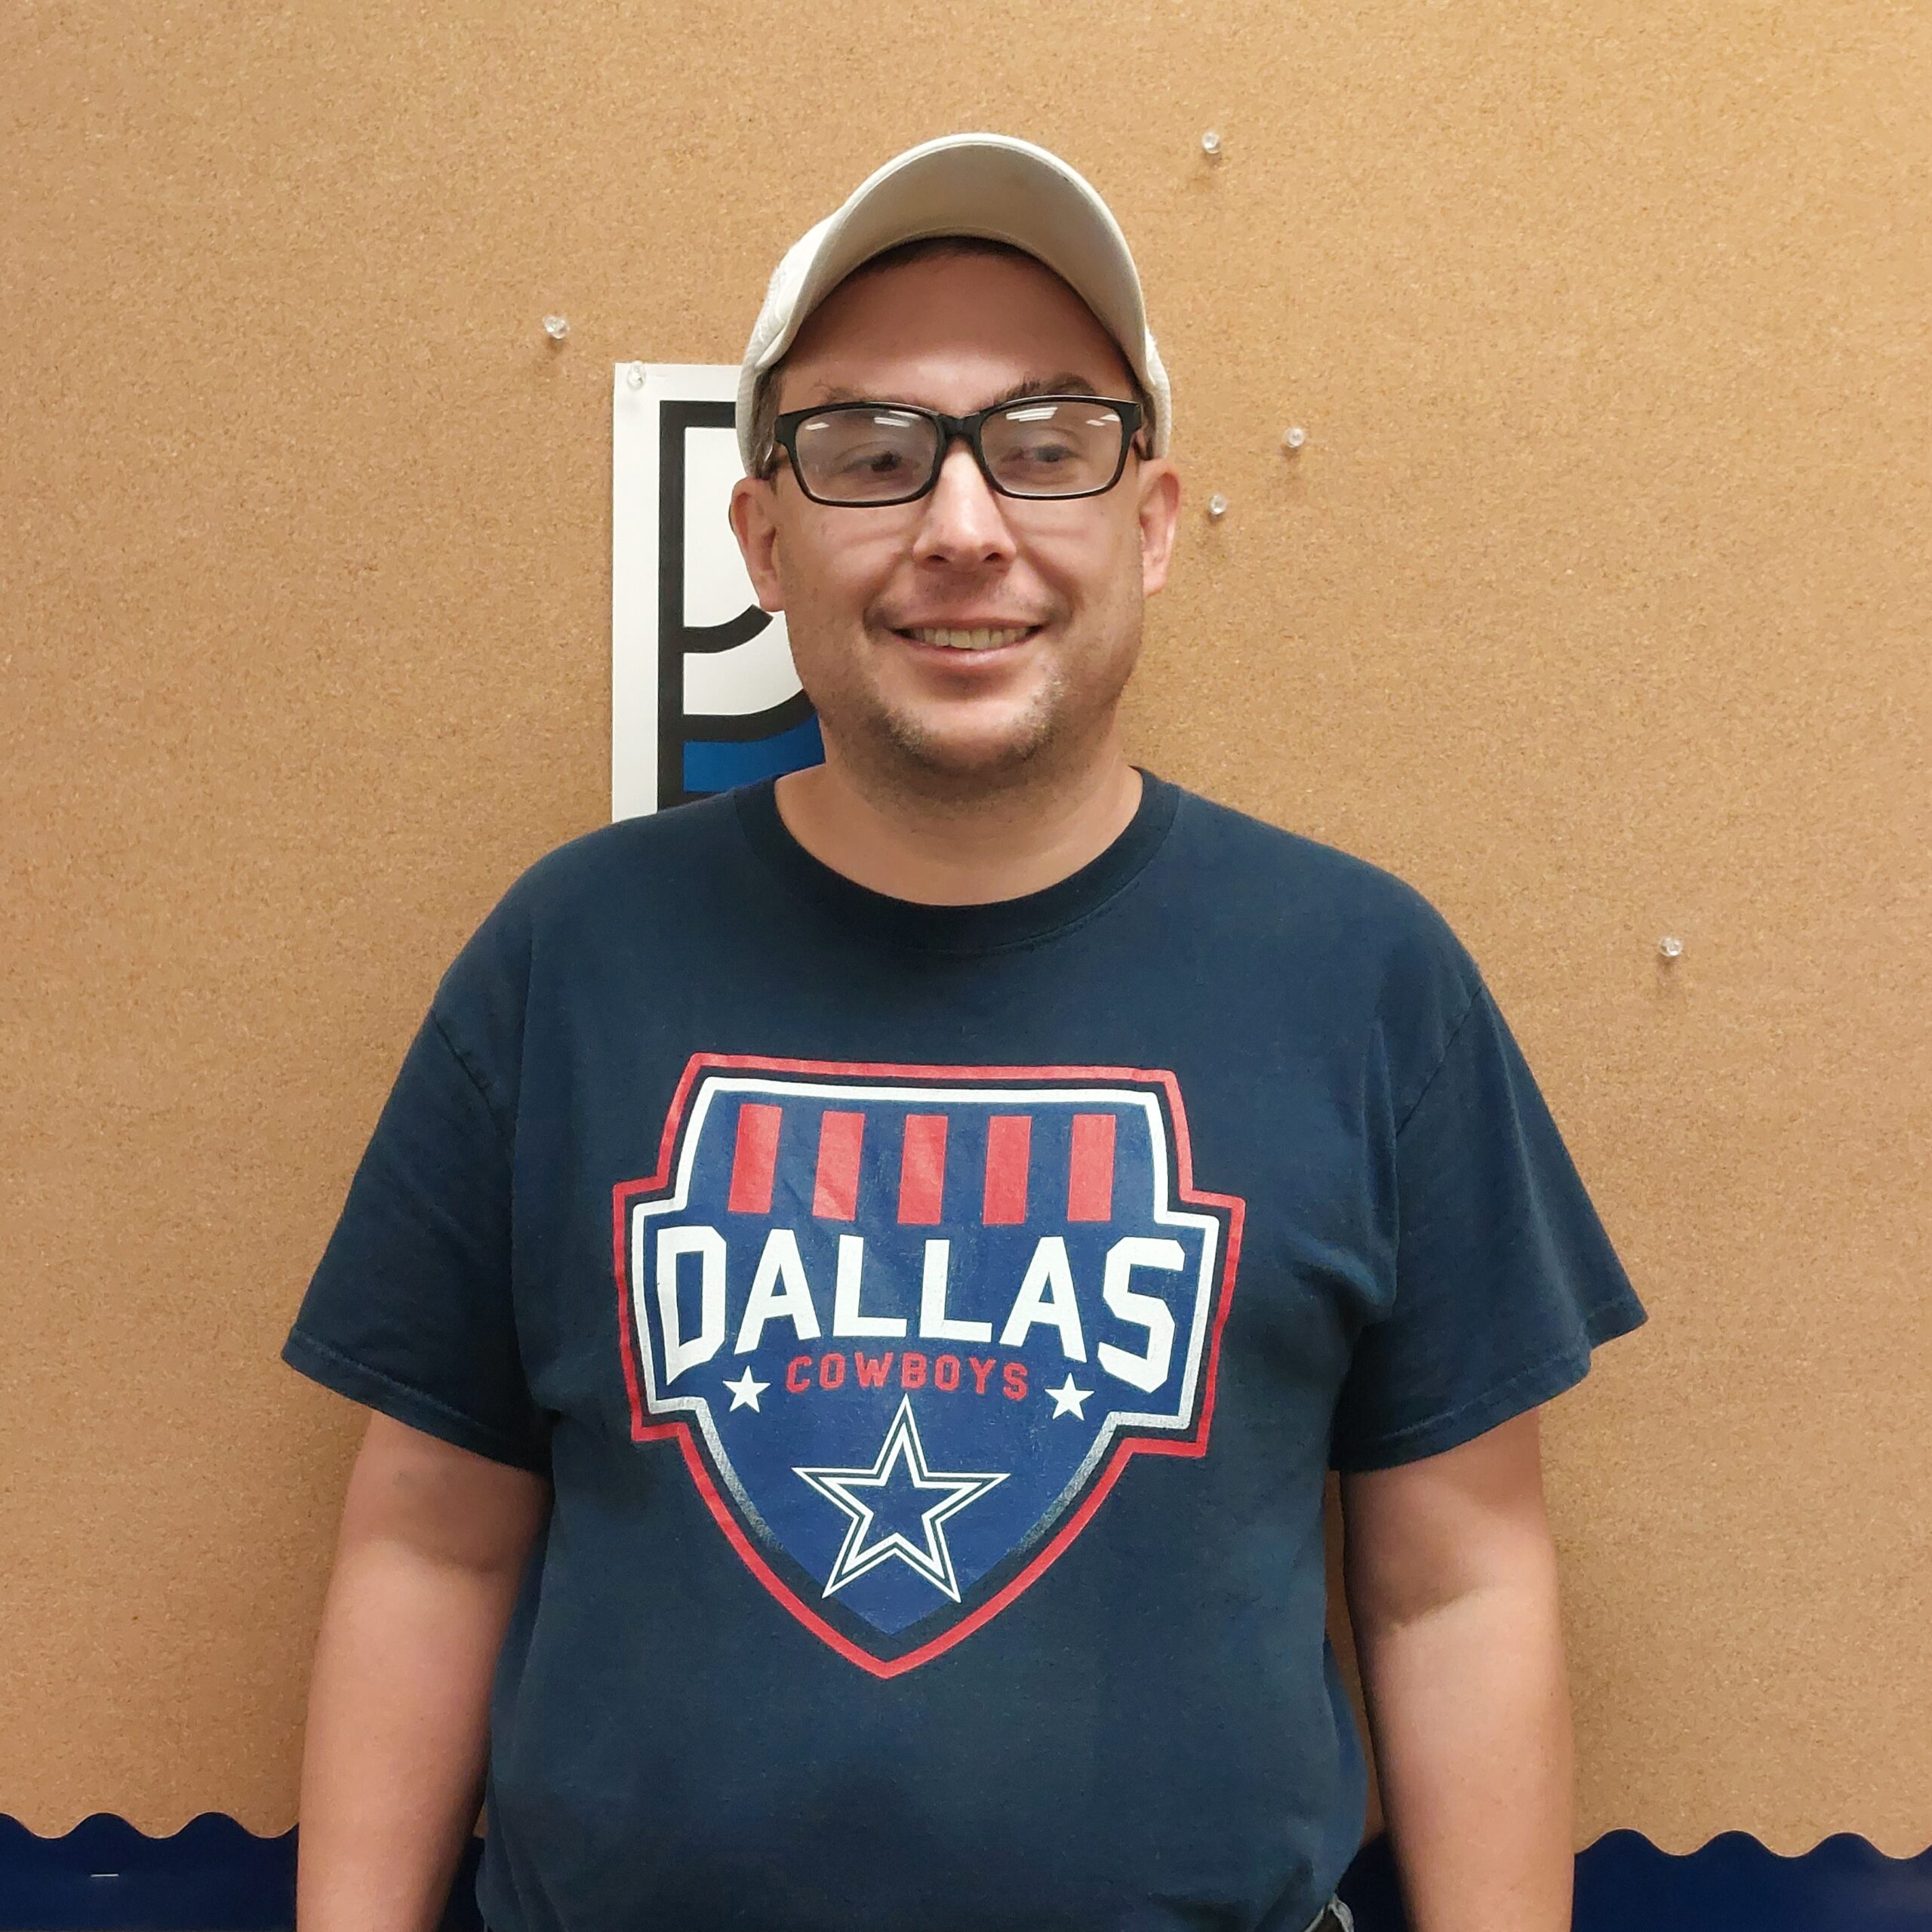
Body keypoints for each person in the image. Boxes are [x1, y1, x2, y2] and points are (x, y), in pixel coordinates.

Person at [282, 132, 1647, 1932]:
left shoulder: (1363, 975)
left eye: (1045, 442)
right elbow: (427, 1543)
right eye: (870, 451)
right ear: (761, 538)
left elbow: (1453, 1587)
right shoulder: (566, 959)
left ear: (1148, 520)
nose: (960, 525)